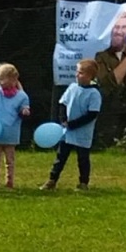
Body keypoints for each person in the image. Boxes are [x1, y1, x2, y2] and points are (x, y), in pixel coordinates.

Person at [43, 58, 102, 190]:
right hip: (67, 131)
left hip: (82, 132)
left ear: (90, 76)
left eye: (80, 72)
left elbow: (92, 114)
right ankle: (52, 180)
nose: (77, 75)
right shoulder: (72, 88)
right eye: (77, 71)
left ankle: (83, 183)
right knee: (60, 157)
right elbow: (63, 103)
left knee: (82, 159)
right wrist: (63, 119)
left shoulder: (94, 93)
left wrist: (74, 124)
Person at [0, 62, 31, 189]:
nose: (0, 82)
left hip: (11, 133)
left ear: (13, 79)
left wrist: (24, 112)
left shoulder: (22, 96)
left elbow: (24, 110)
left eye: (2, 79)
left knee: (10, 161)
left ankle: (9, 181)